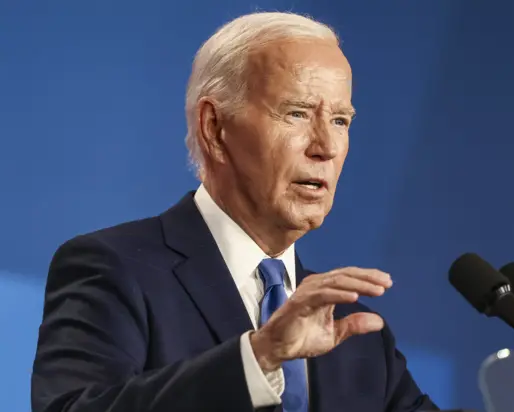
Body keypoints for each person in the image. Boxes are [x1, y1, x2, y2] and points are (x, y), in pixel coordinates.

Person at [31, 11, 439, 412]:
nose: (326, 147)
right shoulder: (116, 269)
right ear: (214, 127)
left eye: (339, 120)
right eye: (296, 113)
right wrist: (259, 357)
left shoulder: (353, 328)